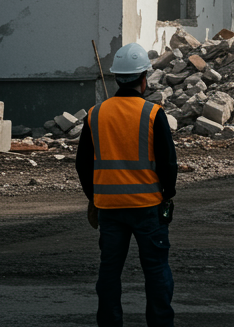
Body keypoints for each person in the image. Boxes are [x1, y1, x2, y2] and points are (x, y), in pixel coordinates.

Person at [75, 41, 178, 326]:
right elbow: (169, 164)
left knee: (109, 272)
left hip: (109, 209)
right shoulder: (153, 114)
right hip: (147, 207)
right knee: (156, 270)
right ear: (144, 78)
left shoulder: (95, 114)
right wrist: (167, 194)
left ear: (117, 77)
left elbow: (83, 164)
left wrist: (95, 197)